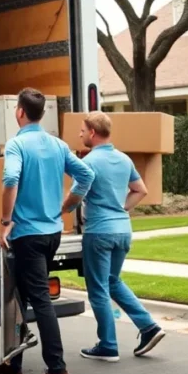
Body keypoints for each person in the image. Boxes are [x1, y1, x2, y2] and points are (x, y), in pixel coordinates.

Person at [0, 88, 94, 374]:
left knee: (39, 300)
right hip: (51, 233)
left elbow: (11, 179)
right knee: (21, 296)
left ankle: (57, 370)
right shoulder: (58, 145)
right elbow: (86, 176)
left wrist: (5, 222)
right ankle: (13, 363)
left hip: (28, 235)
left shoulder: (17, 144)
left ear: (20, 112)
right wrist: (67, 207)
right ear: (41, 113)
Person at [77, 111, 165, 361]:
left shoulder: (89, 162)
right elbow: (141, 190)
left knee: (98, 289)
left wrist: (62, 209)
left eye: (82, 131)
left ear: (92, 132)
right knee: (112, 281)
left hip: (99, 232)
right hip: (123, 230)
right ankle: (149, 327)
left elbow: (76, 194)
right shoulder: (124, 159)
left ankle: (108, 345)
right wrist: (120, 208)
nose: (80, 135)